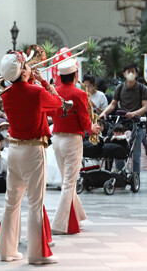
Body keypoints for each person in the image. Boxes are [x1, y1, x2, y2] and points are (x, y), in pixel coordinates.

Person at [0, 51, 62, 264]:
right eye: (27, 65)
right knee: (35, 203)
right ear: (22, 71)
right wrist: (44, 83)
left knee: (11, 201)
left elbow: (22, 91)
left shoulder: (5, 94)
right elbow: (57, 104)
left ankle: (7, 251)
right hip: (33, 150)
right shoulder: (36, 92)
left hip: (14, 149)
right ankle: (38, 254)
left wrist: (31, 79)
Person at [50, 58, 100, 236]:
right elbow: (85, 120)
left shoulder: (53, 91)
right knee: (69, 183)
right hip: (72, 140)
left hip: (56, 138)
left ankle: (78, 215)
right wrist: (92, 128)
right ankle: (58, 223)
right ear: (75, 75)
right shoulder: (79, 94)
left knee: (66, 179)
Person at [99, 64, 147, 178]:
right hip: (121, 123)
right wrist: (104, 112)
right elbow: (113, 104)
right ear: (124, 74)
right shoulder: (120, 88)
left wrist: (134, 113)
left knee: (135, 153)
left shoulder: (142, 88)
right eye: (128, 71)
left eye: (133, 71)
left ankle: (135, 176)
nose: (130, 73)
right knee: (118, 149)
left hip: (137, 123)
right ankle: (119, 175)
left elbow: (145, 107)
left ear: (136, 74)